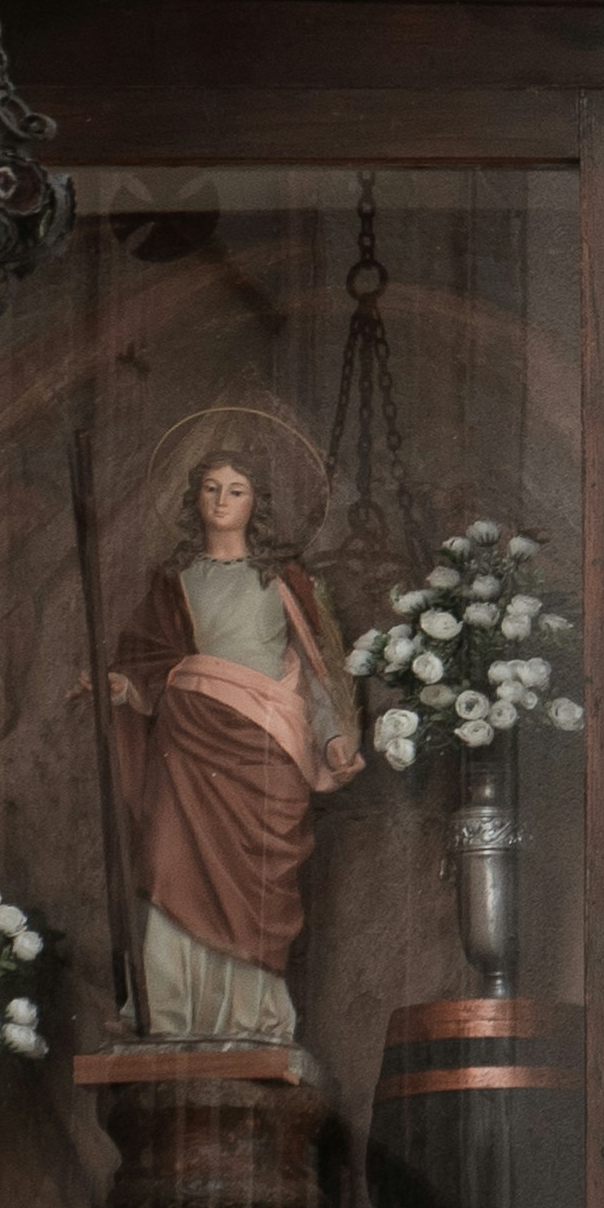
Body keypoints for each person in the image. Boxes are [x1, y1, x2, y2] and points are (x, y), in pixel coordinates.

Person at [108, 448, 360, 1046]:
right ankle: (171, 1014)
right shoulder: (175, 583)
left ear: (256, 504)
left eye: (237, 490)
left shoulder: (285, 580)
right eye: (212, 489)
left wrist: (333, 735)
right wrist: (126, 686)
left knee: (257, 883)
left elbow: (319, 670)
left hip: (265, 748)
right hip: (188, 744)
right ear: (195, 498)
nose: (223, 502)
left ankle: (250, 1018)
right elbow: (149, 659)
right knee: (171, 863)